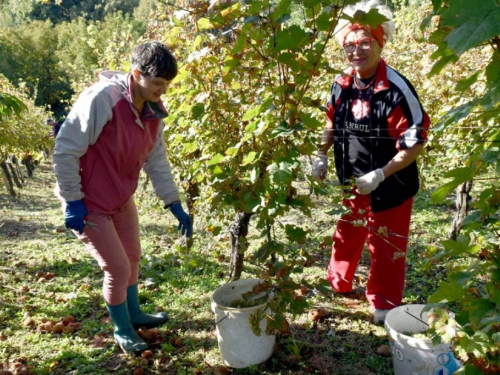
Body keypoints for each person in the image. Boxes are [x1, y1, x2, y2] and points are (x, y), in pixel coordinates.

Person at [53, 41, 193, 353]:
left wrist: (174, 202)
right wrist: (73, 199)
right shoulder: (104, 99)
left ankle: (135, 312)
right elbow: (65, 149)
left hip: (120, 197)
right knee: (117, 268)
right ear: (135, 74)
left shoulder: (153, 111)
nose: (163, 91)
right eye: (157, 83)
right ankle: (123, 329)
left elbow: (156, 161)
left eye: (167, 84)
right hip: (89, 201)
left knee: (132, 259)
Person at [312, 0, 430, 325]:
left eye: (365, 43)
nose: (356, 50)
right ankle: (338, 281)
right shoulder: (341, 83)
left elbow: (415, 141)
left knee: (387, 242)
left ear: (380, 43)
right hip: (352, 180)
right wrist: (321, 154)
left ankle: (384, 300)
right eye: (350, 44)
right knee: (348, 230)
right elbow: (330, 121)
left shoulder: (396, 89)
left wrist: (381, 173)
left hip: (392, 184)